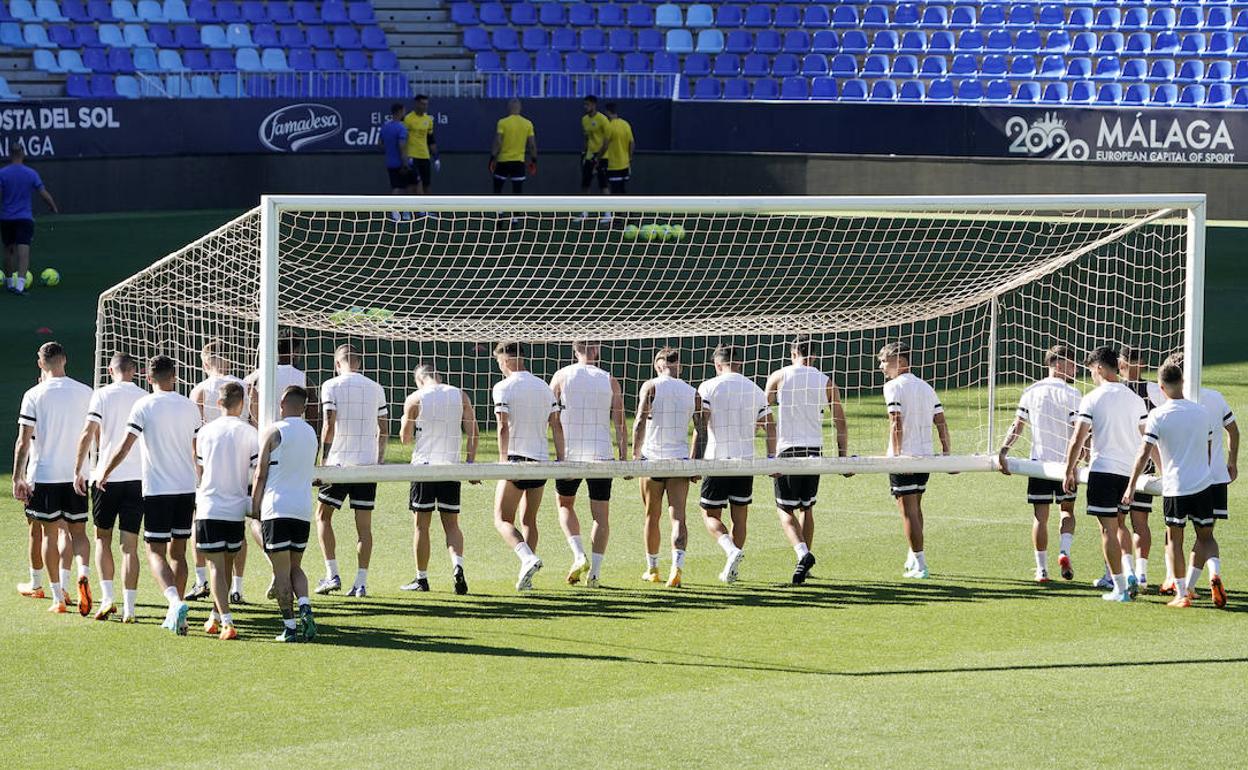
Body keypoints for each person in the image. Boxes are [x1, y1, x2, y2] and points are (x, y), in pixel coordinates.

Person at [99, 354, 201, 633]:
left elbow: (125, 445)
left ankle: (173, 602)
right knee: (178, 552)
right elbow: (196, 451)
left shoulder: (143, 405)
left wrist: (105, 472)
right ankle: (179, 614)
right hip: (186, 487)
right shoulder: (190, 407)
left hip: (158, 489)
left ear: (148, 378)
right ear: (175, 376)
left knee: (154, 550)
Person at [1121, 361, 1214, 609]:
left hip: (1175, 486)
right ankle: (1213, 574)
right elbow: (1207, 449)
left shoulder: (1158, 415)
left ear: (1161, 387)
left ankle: (1182, 593)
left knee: (1175, 541)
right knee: (1206, 537)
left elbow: (1144, 453)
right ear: (1183, 382)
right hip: (1203, 485)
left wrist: (1131, 486)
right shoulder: (1202, 412)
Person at [1062, 346, 1148, 603]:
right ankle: (1130, 571)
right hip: (1127, 473)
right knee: (1121, 524)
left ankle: (1120, 587)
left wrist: (1069, 470)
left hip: (1104, 471)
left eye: (1090, 371)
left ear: (1099, 368)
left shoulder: (1093, 398)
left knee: (1107, 529)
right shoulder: (1135, 398)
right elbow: (1147, 439)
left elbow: (1079, 437)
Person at [12, 341, 92, 614]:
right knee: (76, 533)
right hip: (77, 474)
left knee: (49, 532)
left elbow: (23, 442)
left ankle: (58, 596)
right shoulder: (86, 392)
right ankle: (80, 576)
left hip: (45, 473)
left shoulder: (34, 394)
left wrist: (17, 477)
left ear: (40, 363)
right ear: (64, 360)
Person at [765, 336, 848, 585]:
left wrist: (768, 448)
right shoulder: (825, 380)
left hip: (787, 449)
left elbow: (759, 412)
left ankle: (803, 554)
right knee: (807, 507)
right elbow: (839, 420)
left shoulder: (779, 376)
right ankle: (805, 561)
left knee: (784, 509)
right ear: (815, 355)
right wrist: (842, 456)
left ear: (792, 353)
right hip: (814, 449)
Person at [1155, 352, 1235, 605]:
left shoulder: (1176, 402)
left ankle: (1181, 587)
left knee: (1174, 536)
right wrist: (1231, 462)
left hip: (1181, 482)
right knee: (1205, 536)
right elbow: (1234, 431)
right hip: (1214, 478)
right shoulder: (1214, 397)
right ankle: (1207, 577)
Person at [997, 344, 1082, 583]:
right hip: (1065, 465)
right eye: (1071, 363)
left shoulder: (1031, 391)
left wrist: (1004, 450)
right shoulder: (1072, 394)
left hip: (1039, 465)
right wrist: (1081, 456)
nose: (1074, 368)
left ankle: (1041, 570)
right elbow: (1079, 431)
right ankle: (1064, 551)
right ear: (1057, 364)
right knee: (1067, 511)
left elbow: (1018, 425)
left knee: (1040, 517)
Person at [692, 344, 774, 584]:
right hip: (745, 461)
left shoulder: (708, 386)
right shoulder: (755, 389)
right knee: (740, 517)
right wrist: (771, 459)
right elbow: (770, 425)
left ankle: (730, 551)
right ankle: (732, 567)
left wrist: (694, 461)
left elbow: (701, 425)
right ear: (739, 363)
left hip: (717, 459)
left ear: (718, 364)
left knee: (709, 513)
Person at [73, 352, 146, 621]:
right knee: (130, 545)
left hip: (106, 477)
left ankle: (107, 598)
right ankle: (130, 608)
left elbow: (88, 432)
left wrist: (78, 470)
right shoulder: (144, 396)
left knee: (102, 538)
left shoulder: (102, 395)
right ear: (135, 371)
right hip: (138, 478)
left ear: (110, 370)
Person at [551, 341, 627, 588]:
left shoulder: (561, 376)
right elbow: (620, 422)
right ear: (596, 350)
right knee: (601, 516)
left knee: (564, 504)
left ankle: (578, 553)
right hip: (602, 456)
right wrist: (624, 458)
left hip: (570, 456)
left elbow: (549, 415)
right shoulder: (608, 379)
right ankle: (594, 573)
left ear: (576, 351)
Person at [314, 345, 388, 597]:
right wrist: (378, 460)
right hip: (366, 466)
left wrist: (322, 461)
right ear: (359, 362)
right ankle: (361, 582)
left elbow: (328, 424)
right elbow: (384, 429)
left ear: (337, 363)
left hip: (338, 464)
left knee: (323, 516)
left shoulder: (331, 385)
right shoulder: (375, 387)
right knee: (364, 527)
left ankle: (331, 573)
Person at [491, 342, 565, 591]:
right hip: (541, 461)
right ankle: (527, 575)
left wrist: (503, 461)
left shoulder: (503, 387)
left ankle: (527, 558)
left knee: (502, 519)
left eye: (500, 362)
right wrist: (561, 460)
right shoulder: (543, 387)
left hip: (515, 460)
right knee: (529, 519)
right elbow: (556, 425)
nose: (500, 367)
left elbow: (502, 426)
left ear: (507, 360)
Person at [398, 364, 477, 595]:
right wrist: (471, 465)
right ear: (439, 377)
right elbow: (473, 432)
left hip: (423, 468)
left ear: (419, 380)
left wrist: (407, 418)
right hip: (450, 469)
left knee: (421, 525)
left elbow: (404, 439)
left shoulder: (415, 398)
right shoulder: (459, 394)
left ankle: (421, 579)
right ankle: (457, 567)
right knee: (452, 525)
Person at [879, 341, 951, 580]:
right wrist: (946, 452)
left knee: (908, 512)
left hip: (906, 458)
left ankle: (920, 563)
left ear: (900, 362)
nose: (881, 367)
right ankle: (913, 556)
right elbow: (940, 420)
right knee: (916, 508)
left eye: (884, 362)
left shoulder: (893, 387)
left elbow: (895, 422)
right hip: (925, 458)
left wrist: (897, 456)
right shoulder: (926, 387)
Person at [252, 385, 319, 643]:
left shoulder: (274, 431)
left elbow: (260, 472)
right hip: (302, 510)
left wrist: (255, 504)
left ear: (281, 403)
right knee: (295, 568)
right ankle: (305, 608)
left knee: (281, 573)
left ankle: (290, 628)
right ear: (302, 407)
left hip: (276, 508)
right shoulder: (311, 433)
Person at [193, 382, 258, 639]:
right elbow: (256, 472)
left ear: (218, 403)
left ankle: (227, 621)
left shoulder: (206, 432)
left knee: (216, 566)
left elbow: (199, 468)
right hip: (236, 508)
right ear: (242, 404)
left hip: (210, 505)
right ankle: (215, 616)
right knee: (226, 564)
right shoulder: (250, 432)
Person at [186, 340, 249, 602]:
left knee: (198, 523)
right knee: (239, 524)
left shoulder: (199, 390)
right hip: (239, 464)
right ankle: (236, 586)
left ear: (204, 363)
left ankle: (202, 580)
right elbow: (254, 421)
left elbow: (193, 435)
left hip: (209, 464)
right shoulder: (244, 386)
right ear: (229, 360)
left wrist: (197, 472)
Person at [633, 347, 699, 587]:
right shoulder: (692, 392)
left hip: (653, 460)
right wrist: (694, 462)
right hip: (679, 461)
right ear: (678, 366)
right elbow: (700, 430)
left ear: (659, 366)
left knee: (652, 515)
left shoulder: (651, 386)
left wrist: (634, 455)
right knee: (678, 517)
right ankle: (677, 568)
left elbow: (639, 420)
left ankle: (652, 569)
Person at [1116, 345, 1161, 589]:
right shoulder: (1153, 389)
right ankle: (1141, 574)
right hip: (1147, 463)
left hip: (1120, 463)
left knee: (1116, 522)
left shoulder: (1115, 390)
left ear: (1121, 364)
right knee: (1140, 521)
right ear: (1141, 363)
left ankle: (1124, 571)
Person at [1, 146, 58, 296]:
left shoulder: (3, 173)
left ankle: (9, 283)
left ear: (9, 154)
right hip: (24, 218)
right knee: (23, 251)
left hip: (6, 217)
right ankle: (20, 286)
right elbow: (43, 193)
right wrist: (52, 206)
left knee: (8, 250)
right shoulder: (30, 173)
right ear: (23, 154)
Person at [490, 98, 537, 196]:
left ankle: (499, 211)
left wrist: (492, 158)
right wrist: (534, 160)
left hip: (503, 161)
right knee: (517, 191)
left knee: (498, 188)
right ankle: (516, 212)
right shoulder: (528, 124)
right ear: (520, 108)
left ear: (508, 108)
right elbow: (532, 145)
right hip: (518, 162)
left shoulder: (502, 122)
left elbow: (498, 142)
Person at [404, 94, 439, 195]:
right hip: (412, 156)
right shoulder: (408, 119)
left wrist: (436, 158)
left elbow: (430, 139)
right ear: (417, 104)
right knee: (414, 184)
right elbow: (404, 139)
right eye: (423, 104)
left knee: (426, 184)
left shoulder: (428, 120)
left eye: (426, 104)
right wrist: (406, 157)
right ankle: (412, 209)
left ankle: (427, 209)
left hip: (425, 156)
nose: (425, 106)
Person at [601, 102, 634, 196]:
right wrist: (629, 157)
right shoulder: (625, 124)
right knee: (622, 190)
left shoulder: (609, 126)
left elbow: (605, 145)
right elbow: (632, 143)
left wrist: (598, 158)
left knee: (615, 191)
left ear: (607, 112)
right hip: (625, 164)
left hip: (614, 165)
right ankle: (625, 210)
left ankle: (619, 211)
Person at [379, 102, 410, 200]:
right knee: (401, 188)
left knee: (396, 186)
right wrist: (405, 164)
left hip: (390, 163)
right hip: (400, 164)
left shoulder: (385, 127)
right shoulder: (401, 128)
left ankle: (401, 212)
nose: (405, 113)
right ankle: (397, 212)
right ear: (400, 112)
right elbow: (402, 146)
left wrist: (389, 151)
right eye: (404, 111)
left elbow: (380, 144)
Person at [579, 95, 609, 196]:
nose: (585, 107)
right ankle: (585, 211)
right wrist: (585, 152)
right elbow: (587, 138)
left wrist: (598, 157)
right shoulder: (584, 120)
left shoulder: (603, 119)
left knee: (603, 184)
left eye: (587, 105)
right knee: (585, 184)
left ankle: (607, 211)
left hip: (602, 156)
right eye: (584, 105)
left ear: (594, 105)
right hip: (589, 156)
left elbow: (606, 141)